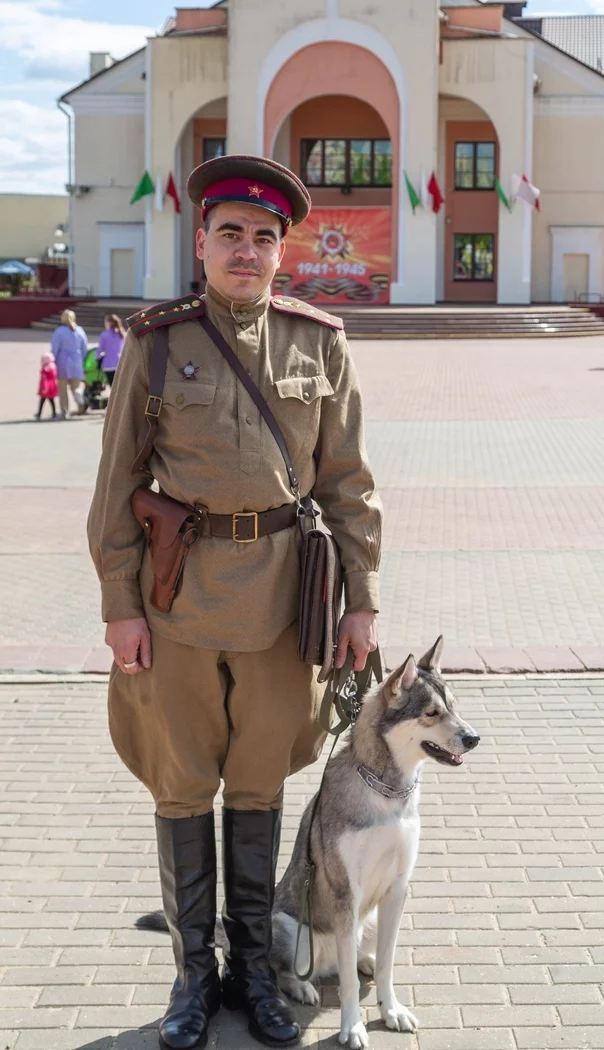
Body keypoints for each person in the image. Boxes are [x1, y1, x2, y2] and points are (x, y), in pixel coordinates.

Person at [87, 155, 382, 1050]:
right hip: (176, 602)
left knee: (256, 786)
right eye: (230, 235)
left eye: (263, 238)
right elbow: (115, 489)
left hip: (284, 609)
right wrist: (121, 607)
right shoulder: (158, 343)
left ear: (281, 249)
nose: (246, 252)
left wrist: (361, 602)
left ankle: (254, 971)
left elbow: (349, 485)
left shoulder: (319, 341)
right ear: (203, 242)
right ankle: (191, 976)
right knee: (182, 787)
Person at [51, 309, 88, 416]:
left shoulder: (59, 331)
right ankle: (80, 404)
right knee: (76, 387)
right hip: (77, 362)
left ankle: (64, 411)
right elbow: (84, 348)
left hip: (62, 362)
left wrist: (52, 362)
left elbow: (54, 349)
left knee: (62, 390)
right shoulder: (80, 330)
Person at [96, 313, 125, 387]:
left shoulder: (104, 335)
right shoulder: (122, 334)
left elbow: (99, 351)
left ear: (109, 323)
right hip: (120, 363)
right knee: (119, 386)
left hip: (108, 364)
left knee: (112, 387)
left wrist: (98, 357)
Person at [35, 350, 58, 420]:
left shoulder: (46, 369)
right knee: (51, 401)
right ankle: (53, 414)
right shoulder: (53, 366)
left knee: (43, 401)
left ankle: (39, 414)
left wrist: (44, 388)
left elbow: (45, 380)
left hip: (46, 387)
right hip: (52, 386)